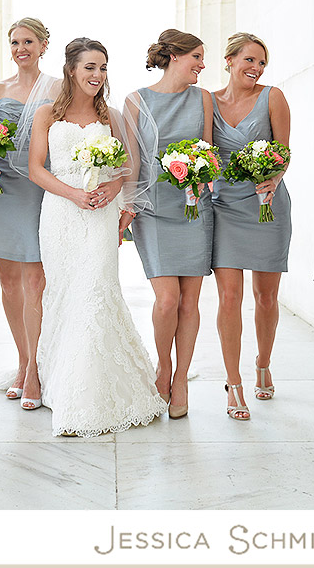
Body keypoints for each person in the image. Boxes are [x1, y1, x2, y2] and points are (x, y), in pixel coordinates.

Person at [27, 37, 166, 437]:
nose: (97, 75)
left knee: (97, 290)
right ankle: (57, 379)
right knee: (65, 292)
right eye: (90, 67)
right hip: (60, 212)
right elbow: (37, 169)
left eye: (102, 68)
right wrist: (72, 193)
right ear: (71, 69)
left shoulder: (113, 116)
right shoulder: (45, 115)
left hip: (101, 215)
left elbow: (129, 167)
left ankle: (89, 394)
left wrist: (113, 191)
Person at [124, 29, 215, 421]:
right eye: (196, 56)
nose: (202, 64)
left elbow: (209, 151)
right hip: (154, 210)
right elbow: (131, 161)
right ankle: (163, 366)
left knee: (191, 302)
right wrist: (127, 208)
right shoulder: (135, 101)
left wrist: (203, 172)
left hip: (195, 208)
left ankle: (180, 379)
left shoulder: (204, 99)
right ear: (175, 57)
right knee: (168, 300)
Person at [210, 32, 292, 421]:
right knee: (228, 297)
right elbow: (205, 152)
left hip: (267, 204)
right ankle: (234, 383)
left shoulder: (273, 96)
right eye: (249, 60)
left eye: (261, 63)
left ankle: (263, 362)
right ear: (229, 60)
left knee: (266, 297)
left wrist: (274, 179)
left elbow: (284, 152)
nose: (256, 69)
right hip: (225, 205)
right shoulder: (207, 102)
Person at [0, 18, 51, 410]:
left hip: (39, 189)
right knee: (8, 283)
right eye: (15, 42)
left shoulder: (58, 88)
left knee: (36, 281)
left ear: (43, 45)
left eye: (28, 41)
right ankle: (23, 361)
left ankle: (37, 370)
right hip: (2, 190)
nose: (21, 48)